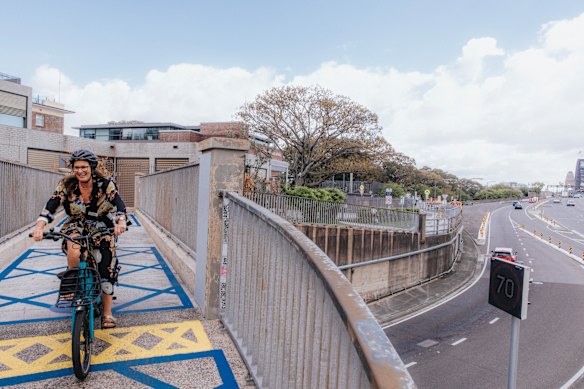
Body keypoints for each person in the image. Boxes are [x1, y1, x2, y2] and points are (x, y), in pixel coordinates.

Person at [31, 149, 127, 329]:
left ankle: (107, 313)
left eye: (83, 167)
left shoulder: (105, 184)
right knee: (74, 249)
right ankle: (73, 281)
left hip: (102, 227)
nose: (80, 171)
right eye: (76, 167)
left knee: (106, 269)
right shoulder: (66, 185)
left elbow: (118, 203)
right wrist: (39, 227)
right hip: (76, 225)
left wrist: (121, 221)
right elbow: (51, 205)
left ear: (91, 167)